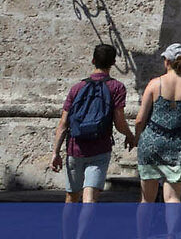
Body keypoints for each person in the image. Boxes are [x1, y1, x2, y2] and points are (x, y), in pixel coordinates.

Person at [50, 45, 133, 212]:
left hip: (75, 148)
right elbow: (119, 122)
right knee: (90, 198)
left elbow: (63, 124)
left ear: (93, 60)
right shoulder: (117, 88)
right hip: (100, 149)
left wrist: (56, 153)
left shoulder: (77, 88)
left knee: (71, 198)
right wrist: (130, 135)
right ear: (113, 63)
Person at [130, 43, 181, 212]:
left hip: (152, 142)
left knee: (146, 199)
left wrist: (137, 138)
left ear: (167, 61)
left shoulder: (154, 84)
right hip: (179, 144)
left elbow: (140, 119)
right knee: (173, 197)